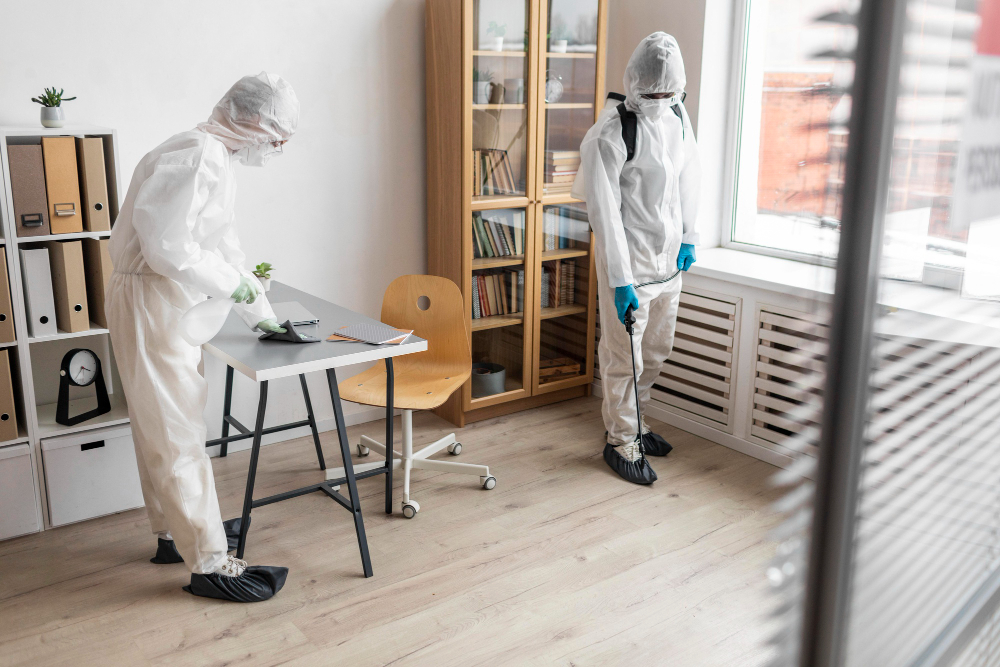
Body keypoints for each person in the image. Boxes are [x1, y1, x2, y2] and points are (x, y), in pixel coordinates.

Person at [106, 72, 298, 602]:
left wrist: (260, 312)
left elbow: (222, 247)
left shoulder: (211, 155)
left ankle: (175, 533)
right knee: (175, 433)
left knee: (161, 426)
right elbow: (169, 248)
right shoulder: (196, 155)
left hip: (160, 300)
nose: (280, 147)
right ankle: (210, 562)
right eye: (280, 136)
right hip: (151, 299)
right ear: (255, 121)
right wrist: (235, 284)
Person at [572, 33, 701, 485]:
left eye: (670, 93)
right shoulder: (608, 134)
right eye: (653, 94)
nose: (661, 101)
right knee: (623, 357)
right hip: (629, 268)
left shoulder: (678, 116)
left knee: (656, 351)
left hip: (669, 263)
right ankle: (620, 438)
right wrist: (620, 280)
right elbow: (604, 216)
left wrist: (690, 236)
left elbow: (690, 179)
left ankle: (638, 422)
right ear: (634, 83)